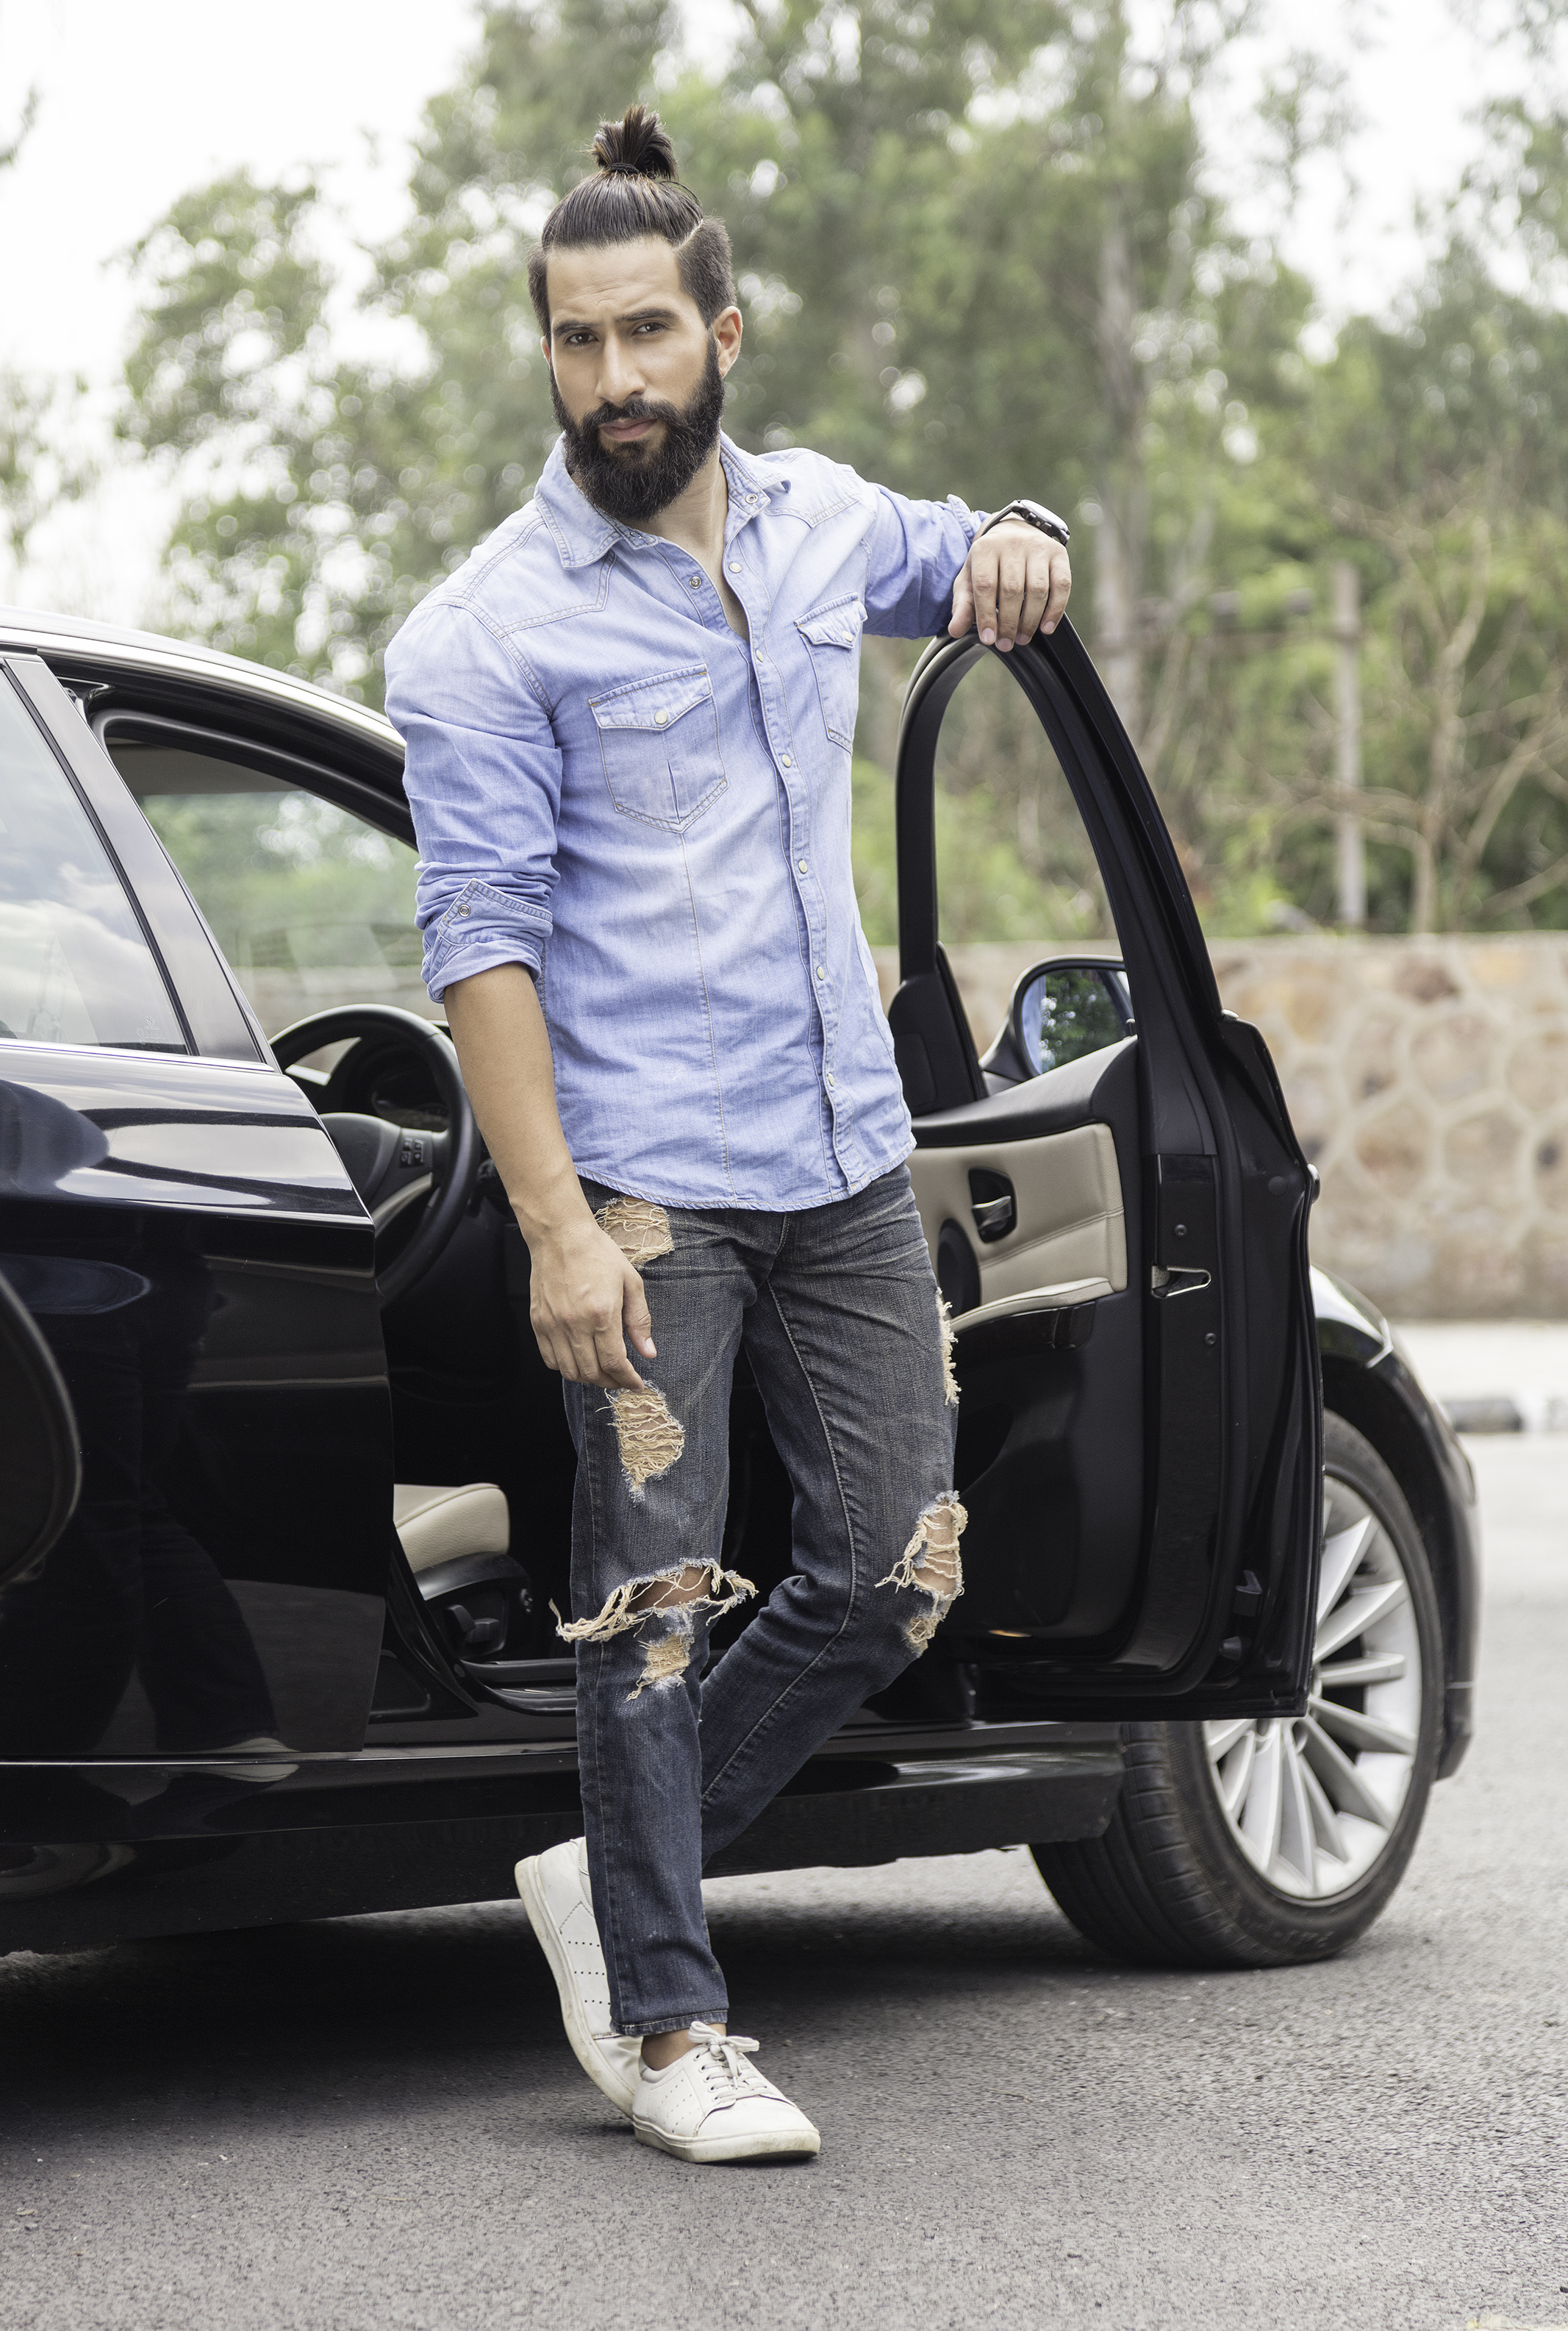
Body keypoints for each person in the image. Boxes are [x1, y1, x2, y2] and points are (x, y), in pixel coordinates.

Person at [384, 104, 1072, 2165]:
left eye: (647, 334)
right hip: (649, 1193)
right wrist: (553, 1226)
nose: (614, 379)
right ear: (549, 354)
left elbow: (968, 551)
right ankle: (672, 2019)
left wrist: (1022, 529)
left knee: (891, 1567)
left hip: (845, 1153)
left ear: (724, 335)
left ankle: (614, 1882)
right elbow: (481, 946)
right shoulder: (486, 631)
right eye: (576, 341)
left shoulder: (815, 525)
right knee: (652, 1601)